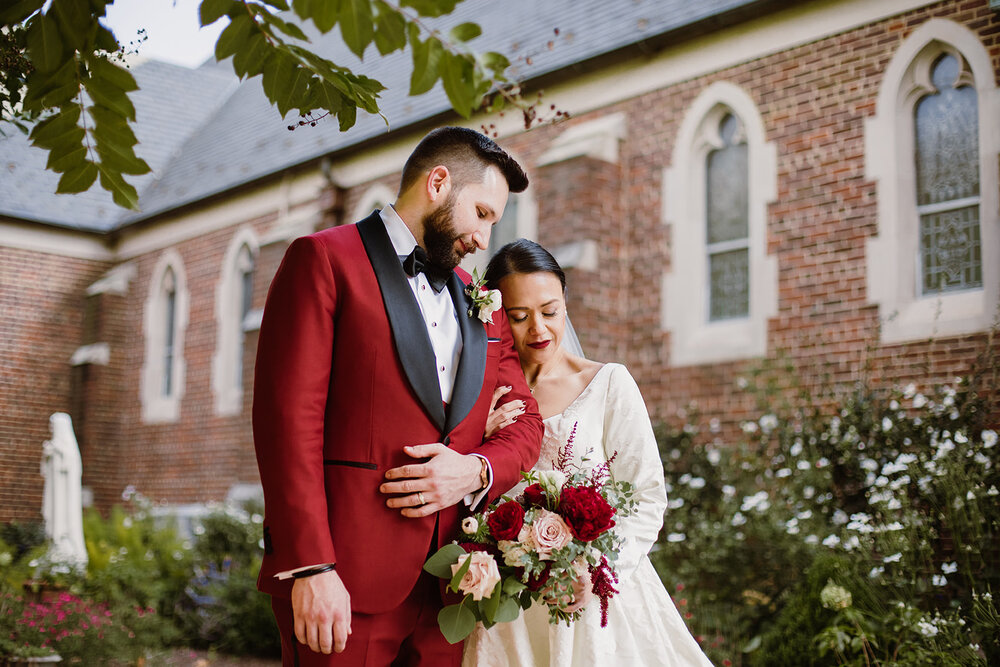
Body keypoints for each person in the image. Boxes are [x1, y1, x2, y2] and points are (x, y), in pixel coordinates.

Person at [252, 127, 545, 666]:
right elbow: (287, 423)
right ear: (438, 183)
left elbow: (526, 424)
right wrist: (311, 567)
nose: (485, 240)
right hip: (345, 584)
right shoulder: (323, 259)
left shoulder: (481, 301)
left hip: (452, 589)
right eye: (481, 213)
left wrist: (476, 470)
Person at [464, 239, 713, 666]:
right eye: (520, 317)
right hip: (509, 605)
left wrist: (595, 572)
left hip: (594, 597)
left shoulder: (609, 384)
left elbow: (648, 497)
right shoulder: (483, 395)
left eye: (550, 311)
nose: (538, 330)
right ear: (499, 318)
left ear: (566, 304)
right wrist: (478, 432)